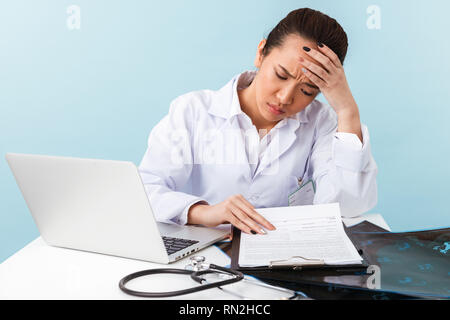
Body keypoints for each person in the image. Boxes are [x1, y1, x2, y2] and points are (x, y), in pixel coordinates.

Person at [138, 8, 378, 235]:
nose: (285, 98)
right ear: (261, 53)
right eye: (280, 75)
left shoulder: (321, 123)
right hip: (204, 259)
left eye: (307, 90)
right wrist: (205, 212)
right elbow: (145, 191)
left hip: (284, 262)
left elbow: (346, 207)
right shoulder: (192, 111)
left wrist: (347, 110)